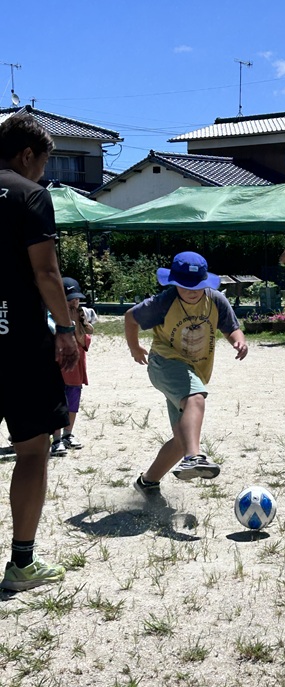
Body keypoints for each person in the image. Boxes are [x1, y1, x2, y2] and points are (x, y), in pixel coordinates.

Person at [0, 112, 78, 592]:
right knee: (32, 449)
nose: (44, 173)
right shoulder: (30, 195)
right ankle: (22, 565)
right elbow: (46, 273)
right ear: (27, 153)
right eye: (45, 163)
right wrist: (65, 329)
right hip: (18, 340)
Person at [125, 251, 248, 500]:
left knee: (183, 437)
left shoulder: (215, 300)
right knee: (196, 398)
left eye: (197, 286)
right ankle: (193, 457)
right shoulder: (165, 301)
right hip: (164, 362)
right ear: (174, 283)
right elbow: (131, 317)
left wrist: (239, 341)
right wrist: (134, 347)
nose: (191, 291)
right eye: (185, 286)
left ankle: (148, 482)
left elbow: (231, 327)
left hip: (193, 369)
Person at [50, 278, 94, 456]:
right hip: (57, 370)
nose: (74, 303)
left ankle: (68, 434)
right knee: (57, 403)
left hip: (75, 370)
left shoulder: (82, 319)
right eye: (70, 299)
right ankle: (56, 439)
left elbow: (83, 341)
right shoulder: (50, 317)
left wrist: (76, 323)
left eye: (76, 299)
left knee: (73, 404)